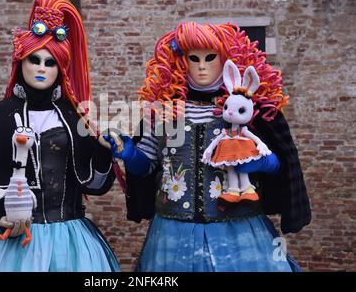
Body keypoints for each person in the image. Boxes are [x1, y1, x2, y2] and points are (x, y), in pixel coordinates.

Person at [103, 22, 311, 271]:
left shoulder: (244, 109)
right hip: (173, 232)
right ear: (182, 61)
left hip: (238, 228)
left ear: (226, 60)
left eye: (210, 57)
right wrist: (128, 153)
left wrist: (263, 162)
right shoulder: (163, 111)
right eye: (194, 58)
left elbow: (280, 163)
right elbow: (145, 166)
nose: (202, 66)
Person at [0, 0, 120, 272]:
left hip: (69, 242)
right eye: (34, 59)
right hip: (11, 241)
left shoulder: (75, 119)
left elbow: (94, 185)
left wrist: (104, 150)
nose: (41, 68)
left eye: (50, 63)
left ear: (60, 69)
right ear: (20, 62)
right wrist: (0, 214)